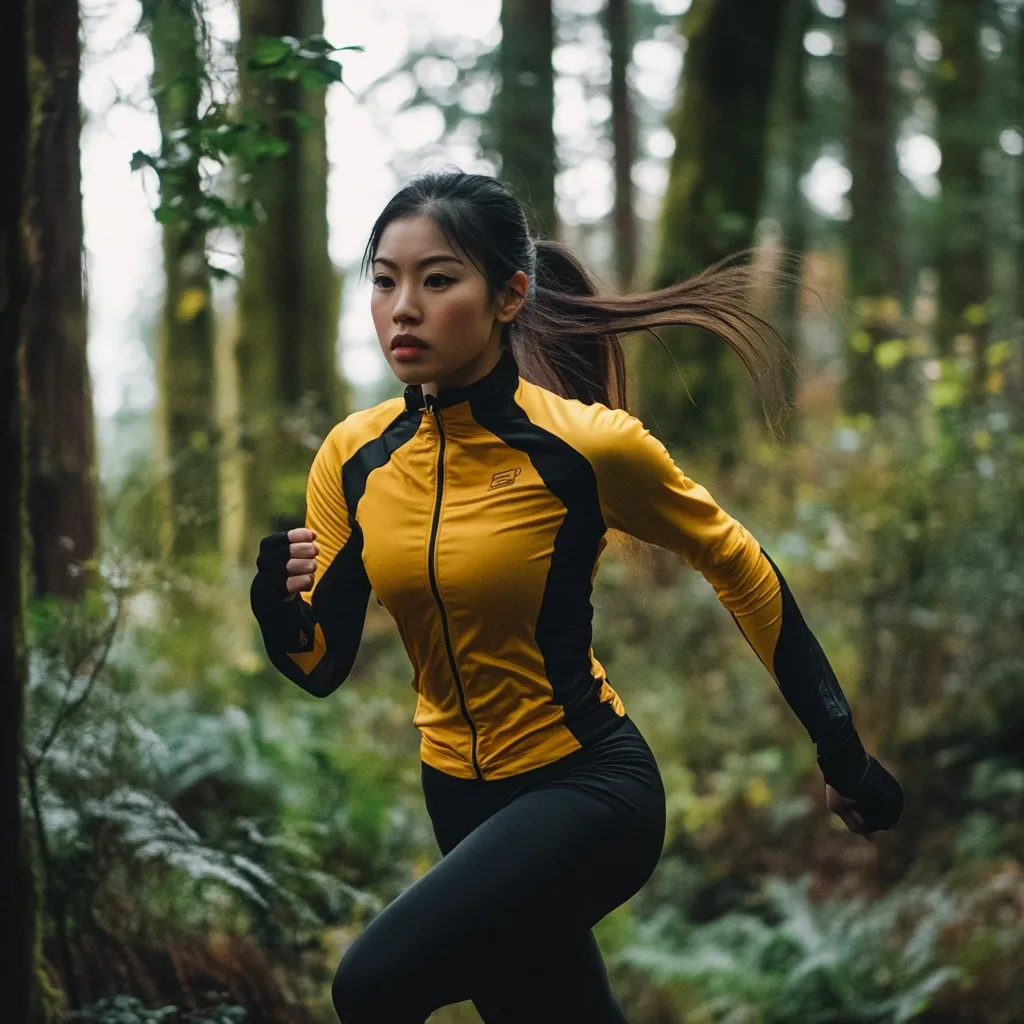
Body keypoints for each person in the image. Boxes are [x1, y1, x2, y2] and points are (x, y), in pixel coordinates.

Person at [249, 170, 903, 1024]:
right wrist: (274, 608)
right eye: (385, 280)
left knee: (370, 986)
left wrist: (843, 753)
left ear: (509, 295)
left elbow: (740, 565)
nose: (402, 307)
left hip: (588, 790)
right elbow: (322, 663)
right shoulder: (353, 458)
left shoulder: (585, 448)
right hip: (458, 800)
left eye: (437, 279)